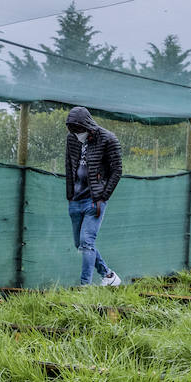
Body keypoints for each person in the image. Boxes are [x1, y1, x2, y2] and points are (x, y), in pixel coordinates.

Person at [64, 106, 123, 287]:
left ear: (87, 125)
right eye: (73, 129)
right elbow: (69, 165)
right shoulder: (71, 139)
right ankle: (108, 274)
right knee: (80, 244)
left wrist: (103, 197)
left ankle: (85, 287)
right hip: (75, 200)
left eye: (78, 128)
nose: (76, 132)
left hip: (94, 201)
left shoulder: (108, 139)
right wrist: (70, 195)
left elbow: (117, 170)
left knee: (87, 243)